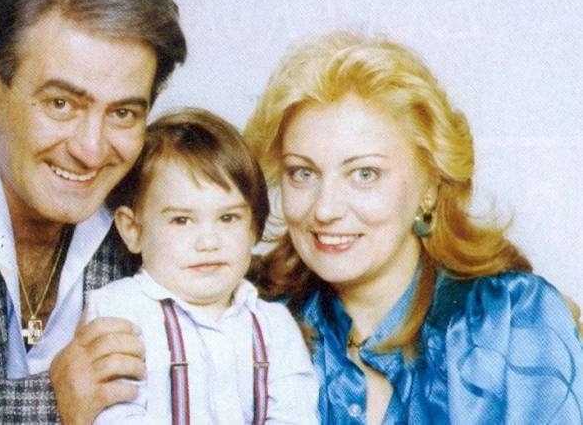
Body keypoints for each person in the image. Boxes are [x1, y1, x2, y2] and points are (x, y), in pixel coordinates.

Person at [244, 32, 583, 424]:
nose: (325, 209)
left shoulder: (511, 320)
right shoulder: (252, 320)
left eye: (365, 174)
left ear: (429, 185)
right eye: (302, 173)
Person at [0, 0, 186, 423]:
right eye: (61, 103)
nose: (91, 150)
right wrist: (53, 404)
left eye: (123, 113)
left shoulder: (152, 193)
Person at [85, 108, 318, 424]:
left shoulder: (275, 326)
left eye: (228, 218)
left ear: (254, 227)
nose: (208, 242)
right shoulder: (119, 311)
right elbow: (114, 414)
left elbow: (295, 415)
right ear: (133, 230)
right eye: (182, 220)